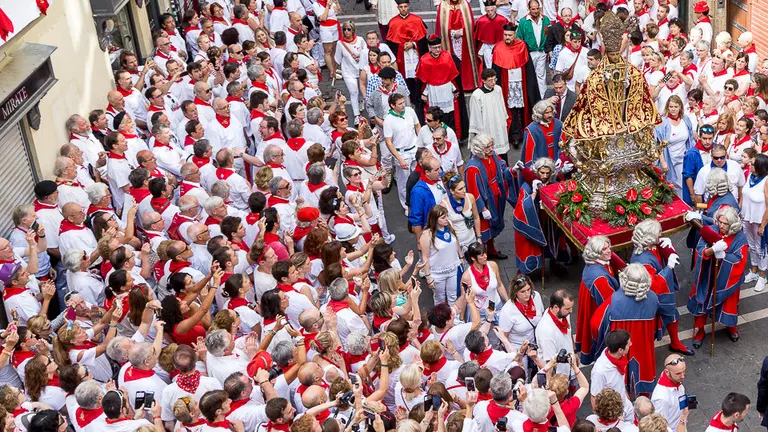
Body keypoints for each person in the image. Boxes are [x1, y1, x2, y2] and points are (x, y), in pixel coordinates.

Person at [593, 264, 662, 398]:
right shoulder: (653, 298)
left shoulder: (614, 300)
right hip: (643, 345)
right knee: (644, 369)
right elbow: (659, 320)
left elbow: (596, 323)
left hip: (620, 346)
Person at [687, 206, 748, 346]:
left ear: (732, 224)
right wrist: (710, 251)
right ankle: (700, 330)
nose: (721, 226)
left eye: (725, 223)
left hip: (726, 278)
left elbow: (740, 260)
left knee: (729, 304)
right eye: (720, 222)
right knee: (702, 300)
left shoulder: (740, 238)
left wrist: (724, 257)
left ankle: (731, 326)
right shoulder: (712, 230)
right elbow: (700, 249)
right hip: (707, 275)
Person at [630, 220, 692, 356]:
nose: (661, 234)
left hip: (659, 293)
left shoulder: (649, 247)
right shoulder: (642, 260)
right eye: (658, 232)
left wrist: (668, 246)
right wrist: (669, 267)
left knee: (672, 315)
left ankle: (675, 343)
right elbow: (655, 284)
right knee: (650, 326)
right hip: (651, 296)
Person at [492, 23, 541, 149]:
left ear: (515, 35)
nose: (507, 37)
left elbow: (528, 67)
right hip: (506, 84)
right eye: (505, 35)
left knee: (521, 109)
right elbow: (496, 70)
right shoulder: (498, 48)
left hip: (521, 83)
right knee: (510, 110)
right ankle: (513, 136)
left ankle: (523, 133)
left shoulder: (522, 46)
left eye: (509, 35)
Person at [464, 134, 514, 259]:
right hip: (485, 202)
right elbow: (473, 191)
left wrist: (512, 170)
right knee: (484, 228)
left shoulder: (492, 156)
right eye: (487, 147)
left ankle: (491, 250)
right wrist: (482, 208)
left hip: (495, 196)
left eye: (491, 145)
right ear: (479, 149)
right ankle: (481, 255)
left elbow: (502, 167)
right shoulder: (473, 168)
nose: (491, 149)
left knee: (493, 225)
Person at [575, 236, 620, 366]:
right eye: (604, 249)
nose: (609, 251)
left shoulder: (595, 265)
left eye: (608, 247)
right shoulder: (600, 278)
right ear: (596, 254)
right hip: (597, 311)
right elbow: (611, 303)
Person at [415, 36, 468, 138]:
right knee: (436, 115)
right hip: (433, 91)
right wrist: (423, 94)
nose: (438, 50)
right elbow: (422, 81)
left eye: (439, 47)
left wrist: (456, 89)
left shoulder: (448, 56)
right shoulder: (424, 60)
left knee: (450, 115)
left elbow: (454, 76)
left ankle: (451, 136)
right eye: (435, 47)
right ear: (429, 47)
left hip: (447, 90)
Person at [386, 0, 428, 117]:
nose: (403, 9)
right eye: (401, 7)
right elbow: (391, 44)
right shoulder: (393, 22)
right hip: (402, 56)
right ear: (398, 7)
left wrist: (413, 44)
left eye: (405, 6)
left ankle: (419, 97)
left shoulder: (417, 20)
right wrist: (401, 46)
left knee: (417, 76)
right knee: (406, 78)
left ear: (408, 6)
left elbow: (423, 42)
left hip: (414, 55)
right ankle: (408, 98)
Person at [382, 93, 420, 210]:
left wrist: (420, 144)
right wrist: (399, 158)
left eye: (403, 102)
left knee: (418, 177)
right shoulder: (388, 120)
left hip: (415, 149)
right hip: (402, 153)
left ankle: (418, 201)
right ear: (392, 106)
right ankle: (406, 206)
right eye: (400, 104)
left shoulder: (410, 111)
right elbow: (388, 142)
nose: (403, 105)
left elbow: (417, 125)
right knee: (404, 182)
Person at [419, 206, 462, 306]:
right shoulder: (426, 235)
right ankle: (440, 321)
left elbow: (456, 241)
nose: (446, 219)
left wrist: (461, 256)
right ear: (435, 219)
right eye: (443, 217)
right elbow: (425, 257)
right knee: (440, 300)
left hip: (453, 269)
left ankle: (453, 319)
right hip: (437, 272)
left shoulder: (449, 225)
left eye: (446, 216)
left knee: (453, 297)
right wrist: (428, 276)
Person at [435, 0, 481, 91]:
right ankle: (453, 84)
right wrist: (451, 32)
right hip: (450, 40)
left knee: (466, 60)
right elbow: (441, 26)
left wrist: (461, 31)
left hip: (464, 39)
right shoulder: (443, 5)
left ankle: (468, 84)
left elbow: (469, 24)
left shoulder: (465, 4)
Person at [589, 330, 634, 422]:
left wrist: (624, 392)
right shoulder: (600, 372)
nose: (631, 344)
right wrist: (606, 420)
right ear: (620, 350)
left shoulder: (617, 357)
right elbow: (594, 398)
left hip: (626, 405)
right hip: (614, 415)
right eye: (629, 344)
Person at [657, 95, 696, 196]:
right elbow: (658, 143)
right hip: (668, 158)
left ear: (680, 107)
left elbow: (690, 139)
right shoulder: (663, 122)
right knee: (666, 185)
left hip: (683, 157)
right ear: (667, 107)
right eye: (671, 107)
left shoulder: (686, 119)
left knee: (681, 185)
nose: (673, 109)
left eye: (675, 107)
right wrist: (662, 161)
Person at [469, 69, 510, 158]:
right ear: (483, 81)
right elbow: (475, 115)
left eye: (495, 79)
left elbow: (502, 105)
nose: (493, 83)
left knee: (502, 150)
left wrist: (504, 121)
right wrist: (480, 132)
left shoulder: (498, 89)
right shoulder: (477, 95)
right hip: (487, 126)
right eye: (490, 80)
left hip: (498, 123)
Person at [742, 154, 768, 292]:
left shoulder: (766, 181)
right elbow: (744, 195)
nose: (749, 165)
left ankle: (762, 276)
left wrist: (763, 225)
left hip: (759, 221)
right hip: (747, 218)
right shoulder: (750, 176)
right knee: (751, 246)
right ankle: (753, 270)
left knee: (761, 249)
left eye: (752, 164)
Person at [535, 289, 575, 376]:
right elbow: (551, 362)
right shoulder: (546, 331)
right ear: (556, 308)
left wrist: (574, 353)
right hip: (560, 376)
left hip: (570, 369)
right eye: (568, 308)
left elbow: (569, 333)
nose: (571, 311)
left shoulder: (564, 314)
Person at [440, 172, 481, 251]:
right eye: (460, 189)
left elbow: (476, 217)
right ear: (452, 191)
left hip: (472, 239)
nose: (464, 190)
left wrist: (479, 237)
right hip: (456, 244)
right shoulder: (444, 205)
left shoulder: (470, 197)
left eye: (464, 187)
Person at [516, 0, 549, 97]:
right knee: (530, 76)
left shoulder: (545, 19)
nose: (535, 11)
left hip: (541, 51)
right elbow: (519, 38)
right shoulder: (523, 21)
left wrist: (546, 50)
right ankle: (531, 97)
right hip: (529, 53)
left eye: (537, 8)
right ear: (529, 8)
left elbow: (547, 35)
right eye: (533, 9)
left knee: (541, 76)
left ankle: (543, 97)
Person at [520, 100, 566, 167]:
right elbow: (530, 155)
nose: (550, 115)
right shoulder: (531, 130)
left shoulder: (559, 125)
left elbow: (564, 145)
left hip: (557, 164)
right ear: (540, 114)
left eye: (551, 112)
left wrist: (561, 158)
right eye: (546, 113)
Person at [681, 124, 715, 206]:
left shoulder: (716, 149)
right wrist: (692, 195)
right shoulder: (691, 154)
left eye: (710, 139)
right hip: (698, 193)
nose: (707, 142)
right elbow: (688, 176)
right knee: (700, 212)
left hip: (713, 192)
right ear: (699, 137)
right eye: (704, 139)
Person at [651, 354, 687, 430]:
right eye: (678, 373)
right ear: (667, 372)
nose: (682, 376)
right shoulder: (662, 398)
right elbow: (660, 427)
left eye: (684, 371)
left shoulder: (674, 379)